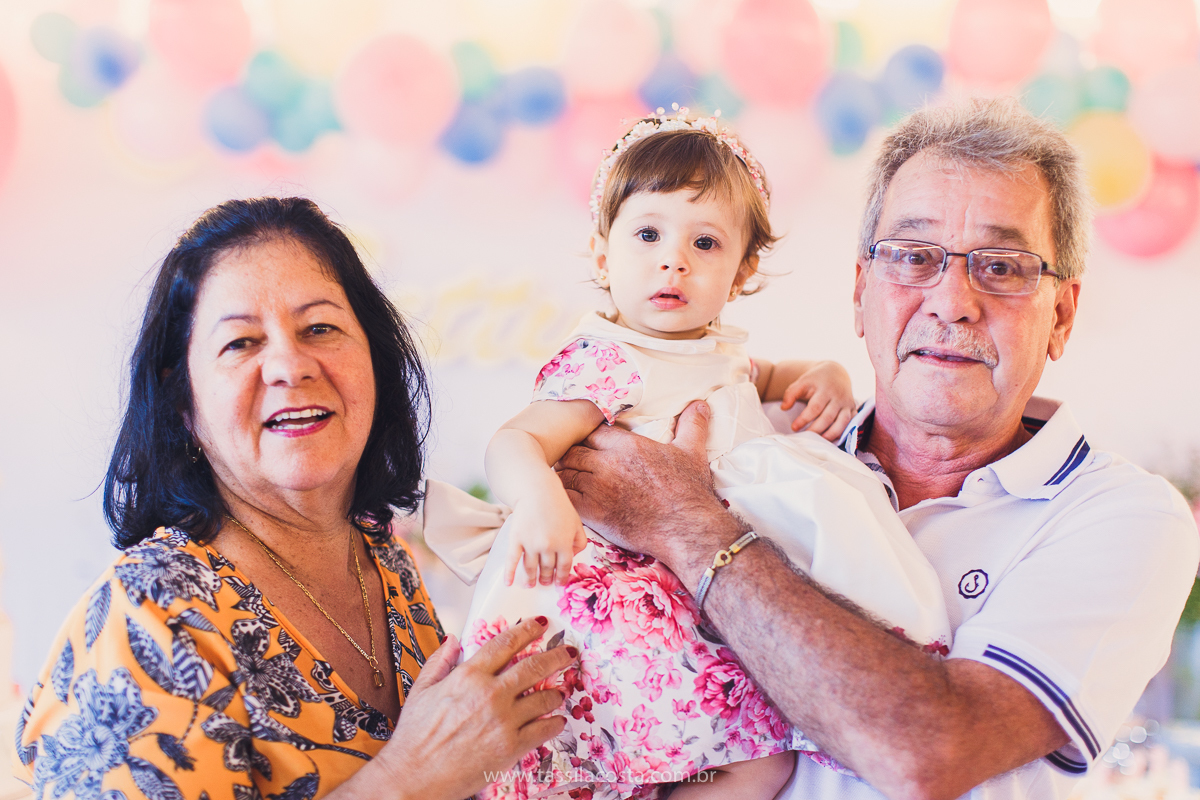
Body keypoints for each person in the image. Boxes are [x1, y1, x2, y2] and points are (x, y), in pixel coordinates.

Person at [554, 98, 1200, 800]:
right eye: (914, 256)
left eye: (1004, 267)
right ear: (860, 292)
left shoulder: (1120, 516)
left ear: (1061, 315)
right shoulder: (759, 446)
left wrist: (687, 525)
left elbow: (928, 754)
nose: (953, 301)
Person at [422, 110, 951, 800]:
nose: (673, 259)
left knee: (764, 763)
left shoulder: (716, 348)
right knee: (626, 760)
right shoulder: (609, 362)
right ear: (602, 253)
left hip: (712, 585)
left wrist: (825, 374)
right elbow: (515, 441)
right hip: (625, 598)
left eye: (705, 242)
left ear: (742, 271)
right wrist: (540, 500)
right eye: (647, 234)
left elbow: (772, 375)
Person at [13, 197, 577, 800]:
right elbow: (427, 770)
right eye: (241, 343)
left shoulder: (384, 562)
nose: (289, 364)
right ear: (184, 405)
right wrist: (410, 778)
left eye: (320, 328)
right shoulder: (146, 615)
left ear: (375, 364)